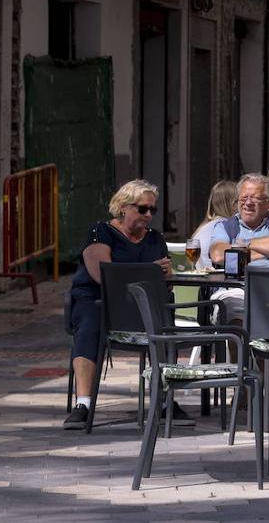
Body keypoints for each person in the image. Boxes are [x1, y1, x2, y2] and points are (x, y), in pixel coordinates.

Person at [65, 180, 192, 429]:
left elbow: (162, 281)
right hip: (97, 299)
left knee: (166, 325)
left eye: (152, 211)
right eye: (142, 209)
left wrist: (163, 276)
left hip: (140, 303)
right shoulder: (100, 232)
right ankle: (83, 404)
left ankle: (166, 400)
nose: (148, 216)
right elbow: (102, 273)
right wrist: (149, 271)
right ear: (123, 207)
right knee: (90, 325)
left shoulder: (155, 239)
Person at [207, 173, 269, 325]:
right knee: (232, 306)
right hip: (236, 289)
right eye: (243, 198)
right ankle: (240, 348)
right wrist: (267, 251)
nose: (248, 203)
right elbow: (217, 254)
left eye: (255, 198)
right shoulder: (225, 226)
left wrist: (242, 245)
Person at [188, 180, 238, 270]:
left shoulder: (201, 229)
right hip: (220, 281)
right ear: (233, 204)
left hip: (202, 281)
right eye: (240, 200)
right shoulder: (226, 228)